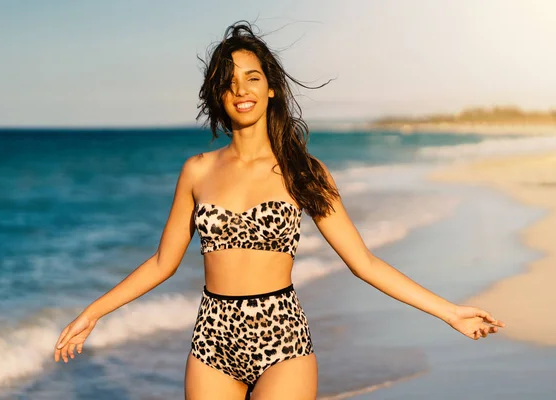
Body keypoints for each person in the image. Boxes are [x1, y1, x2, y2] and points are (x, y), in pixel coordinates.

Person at [53, 21, 505, 400]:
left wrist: (449, 312)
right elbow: (161, 263)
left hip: (282, 337)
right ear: (217, 95)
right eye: (228, 80)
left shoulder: (302, 171)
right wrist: (93, 312)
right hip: (212, 337)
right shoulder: (196, 171)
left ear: (271, 89)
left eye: (251, 77)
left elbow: (363, 262)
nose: (240, 88)